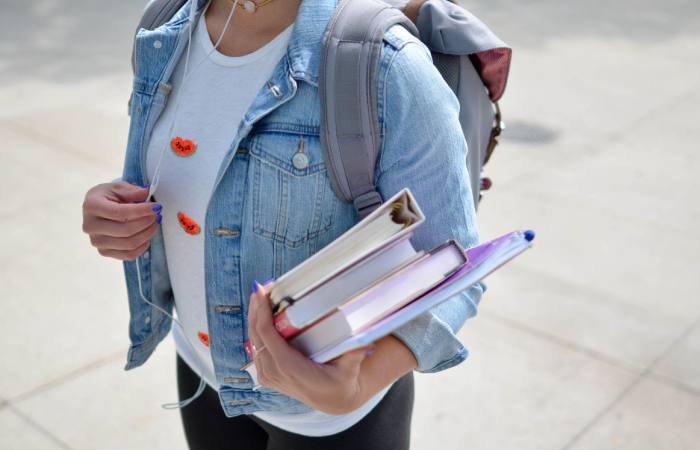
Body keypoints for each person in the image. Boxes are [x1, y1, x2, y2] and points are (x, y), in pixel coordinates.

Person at [81, 0, 484, 448]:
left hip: (331, 423)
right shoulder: (166, 27)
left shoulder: (386, 65)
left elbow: (453, 266)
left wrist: (357, 384)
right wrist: (117, 210)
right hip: (201, 372)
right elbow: (183, 176)